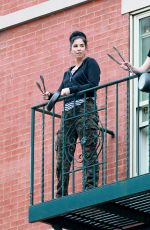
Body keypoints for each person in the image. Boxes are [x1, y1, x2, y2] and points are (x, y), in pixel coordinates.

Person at [43, 31, 101, 198]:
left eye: (82, 46)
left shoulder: (91, 63)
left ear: (86, 48)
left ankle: (90, 188)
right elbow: (61, 91)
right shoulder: (68, 73)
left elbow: (93, 85)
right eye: (75, 46)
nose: (78, 49)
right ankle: (61, 193)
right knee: (63, 153)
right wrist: (51, 95)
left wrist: (72, 89)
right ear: (70, 49)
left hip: (85, 110)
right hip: (68, 114)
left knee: (88, 148)